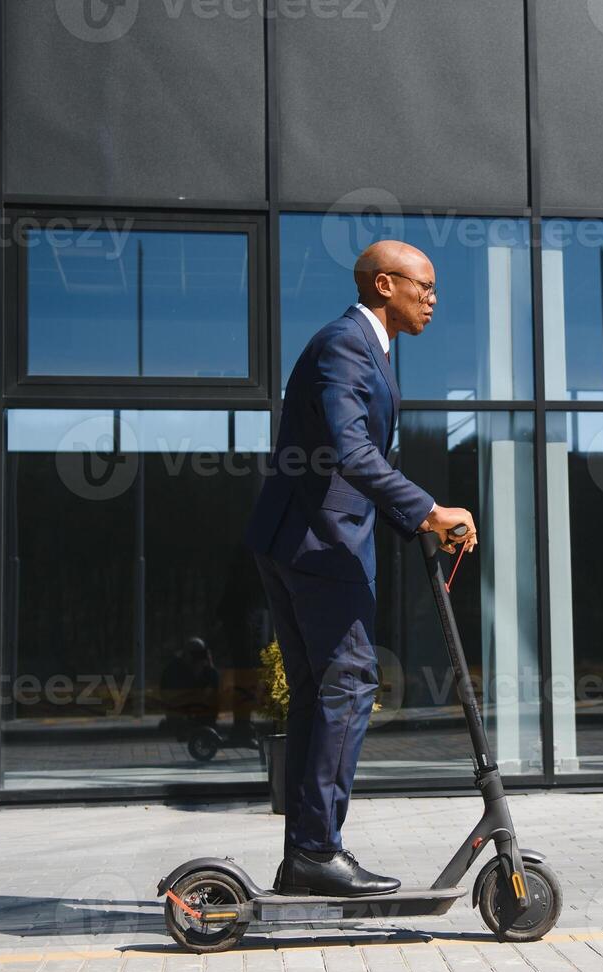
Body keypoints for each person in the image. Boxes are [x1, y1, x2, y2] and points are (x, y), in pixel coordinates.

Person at [243, 240, 477, 897]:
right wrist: (429, 509)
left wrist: (413, 520)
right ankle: (318, 850)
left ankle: (302, 859)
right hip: (319, 545)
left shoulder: (362, 348)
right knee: (349, 682)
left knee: (323, 694)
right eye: (423, 287)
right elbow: (351, 450)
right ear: (384, 285)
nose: (432, 300)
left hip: (299, 541)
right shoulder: (349, 344)